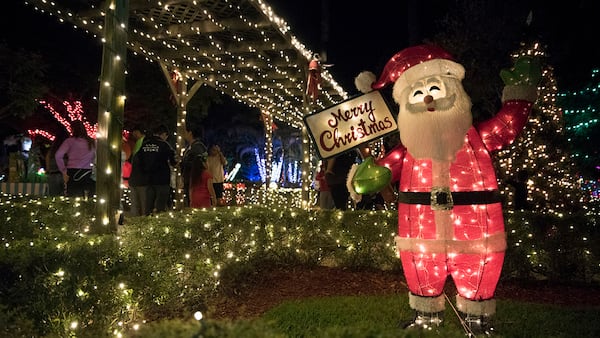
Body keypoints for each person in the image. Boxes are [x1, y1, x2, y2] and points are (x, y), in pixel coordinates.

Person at [348, 44, 540, 334]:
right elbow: (382, 171)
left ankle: (477, 320)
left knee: (476, 269)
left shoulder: (476, 137)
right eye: (417, 93)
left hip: (475, 224)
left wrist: (519, 95)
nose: (427, 98)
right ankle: (427, 317)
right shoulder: (408, 149)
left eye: (434, 89)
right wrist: (365, 177)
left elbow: (506, 128)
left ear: (452, 90)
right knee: (422, 268)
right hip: (422, 229)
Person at [135, 124, 177, 215]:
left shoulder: (144, 145)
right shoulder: (164, 145)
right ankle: (157, 225)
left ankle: (148, 224)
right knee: (160, 207)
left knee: (148, 206)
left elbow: (138, 160)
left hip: (148, 180)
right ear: (164, 134)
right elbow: (174, 161)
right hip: (162, 180)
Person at [55, 120, 96, 198]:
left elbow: (58, 155)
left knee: (72, 197)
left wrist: (63, 171)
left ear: (72, 129)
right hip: (88, 172)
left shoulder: (69, 142)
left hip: (73, 172)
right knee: (87, 197)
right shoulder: (92, 142)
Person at [180, 126, 208, 207]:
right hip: (190, 179)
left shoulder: (197, 147)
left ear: (190, 133)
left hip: (194, 180)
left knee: (193, 202)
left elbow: (198, 163)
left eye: (185, 132)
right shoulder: (191, 146)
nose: (184, 134)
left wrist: (184, 163)